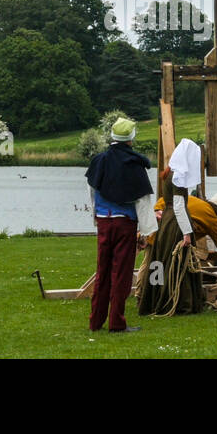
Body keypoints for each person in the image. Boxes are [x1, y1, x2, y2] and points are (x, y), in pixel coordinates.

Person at [84, 117, 156, 333]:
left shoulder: (99, 160)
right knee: (121, 274)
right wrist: (146, 232)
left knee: (102, 271)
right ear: (131, 138)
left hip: (104, 222)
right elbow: (142, 201)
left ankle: (95, 321)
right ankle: (116, 322)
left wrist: (96, 217)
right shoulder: (134, 165)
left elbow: (92, 190)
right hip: (125, 224)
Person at [137, 139, 207, 316]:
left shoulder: (169, 173)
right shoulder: (177, 176)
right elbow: (178, 206)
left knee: (160, 260)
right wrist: (186, 233)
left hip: (167, 220)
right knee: (176, 263)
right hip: (174, 222)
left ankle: (154, 298)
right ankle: (178, 301)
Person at [152, 193, 217, 282]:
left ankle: (146, 293)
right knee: (168, 271)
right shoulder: (212, 219)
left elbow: (166, 198)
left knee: (151, 266)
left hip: (155, 235)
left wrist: (157, 209)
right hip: (169, 244)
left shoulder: (192, 199)